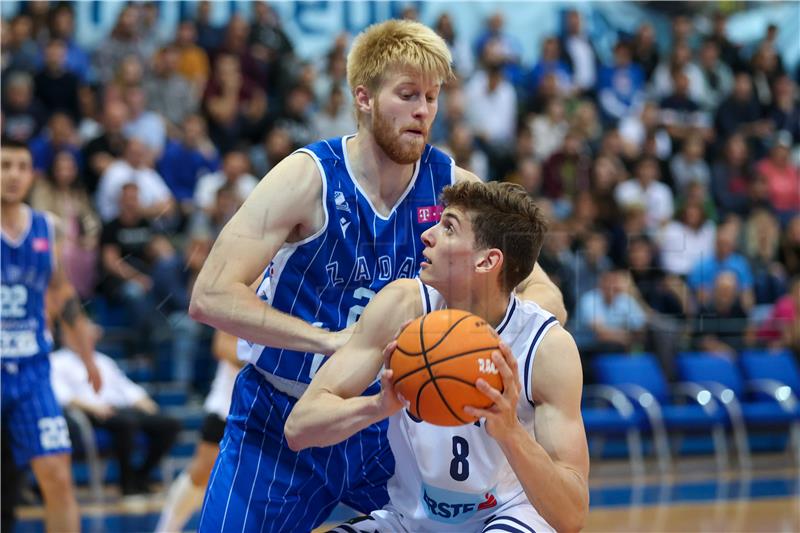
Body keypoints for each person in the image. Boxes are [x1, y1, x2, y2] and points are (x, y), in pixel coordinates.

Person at [189, 19, 565, 533]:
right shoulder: (307, 176)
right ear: (364, 98)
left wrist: (497, 343)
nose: (423, 111)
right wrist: (329, 341)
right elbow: (210, 295)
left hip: (391, 424)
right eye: (408, 94)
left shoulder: (451, 184)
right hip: (282, 417)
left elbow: (538, 288)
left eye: (432, 98)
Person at [285, 181, 589, 532]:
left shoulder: (546, 347)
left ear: (487, 260)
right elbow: (298, 429)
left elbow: (572, 516)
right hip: (410, 521)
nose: (427, 234)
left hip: (508, 517)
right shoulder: (402, 306)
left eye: (448, 227)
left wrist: (510, 432)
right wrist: (376, 407)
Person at [1, 139, 101, 531]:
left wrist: (88, 359)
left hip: (31, 372)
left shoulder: (46, 227)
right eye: (5, 165)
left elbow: (61, 293)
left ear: (31, 175)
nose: (12, 174)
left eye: (21, 166)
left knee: (58, 476)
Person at [50, 326, 181, 496]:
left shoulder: (104, 360)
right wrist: (92, 407)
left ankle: (141, 476)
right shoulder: (57, 361)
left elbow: (125, 387)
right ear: (66, 337)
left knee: (169, 424)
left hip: (118, 409)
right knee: (127, 423)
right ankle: (126, 484)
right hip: (88, 413)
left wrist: (144, 402)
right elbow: (61, 394)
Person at [155, 330, 243, 532]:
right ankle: (167, 528)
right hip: (227, 403)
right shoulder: (247, 298)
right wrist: (266, 361)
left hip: (269, 407)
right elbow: (222, 346)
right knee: (202, 470)